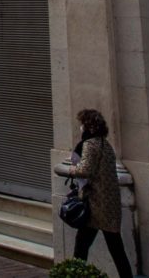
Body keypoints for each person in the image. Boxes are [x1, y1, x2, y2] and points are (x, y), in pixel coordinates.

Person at [56, 108, 133, 278]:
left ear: (89, 126)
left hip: (95, 204)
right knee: (115, 248)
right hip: (110, 204)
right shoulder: (106, 145)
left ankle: (75, 275)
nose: (80, 128)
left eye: (82, 124)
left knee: (82, 245)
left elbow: (85, 170)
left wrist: (70, 170)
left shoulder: (90, 145)